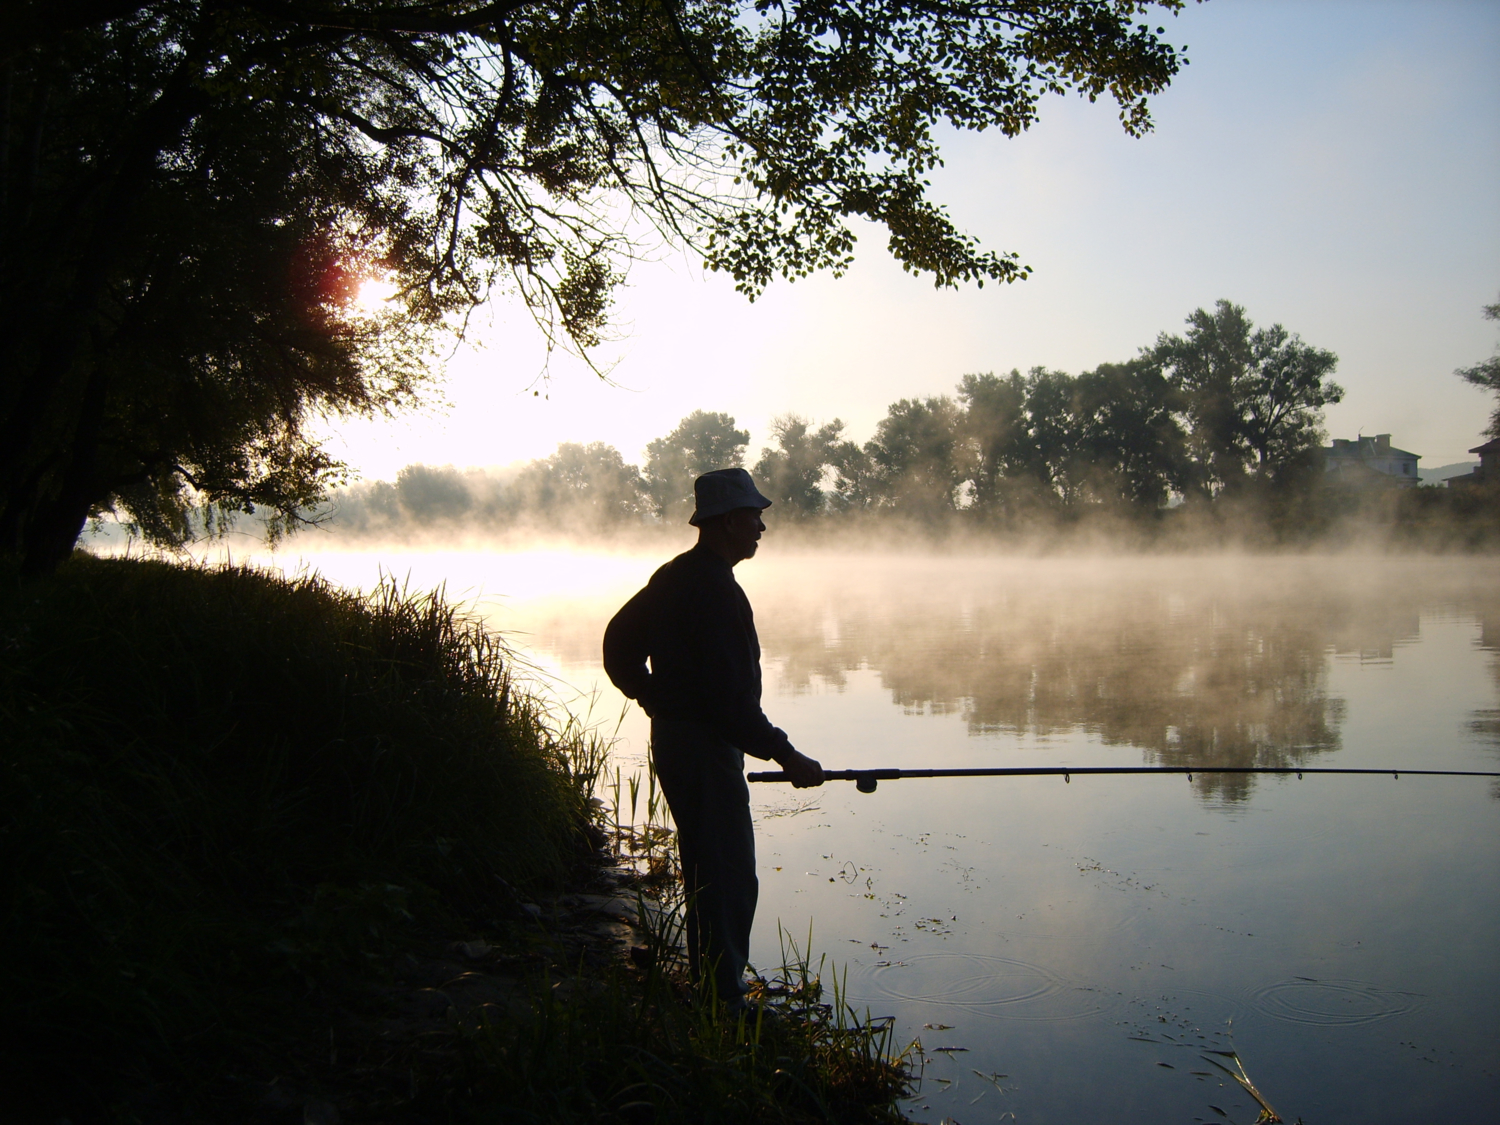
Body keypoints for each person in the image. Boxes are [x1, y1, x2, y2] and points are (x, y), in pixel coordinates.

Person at [602, 467, 824, 1006]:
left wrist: (651, 695)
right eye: (754, 516)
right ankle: (721, 998)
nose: (761, 527)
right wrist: (786, 754)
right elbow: (730, 705)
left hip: (680, 740)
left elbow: (617, 644)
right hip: (702, 747)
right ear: (728, 522)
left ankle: (714, 983)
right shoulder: (715, 593)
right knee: (725, 872)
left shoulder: (675, 576)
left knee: (708, 861)